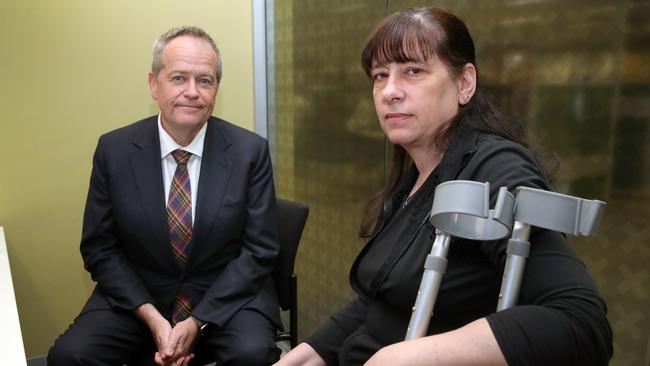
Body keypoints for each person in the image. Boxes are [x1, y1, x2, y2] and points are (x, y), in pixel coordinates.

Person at [275, 6, 613, 366]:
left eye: (413, 71)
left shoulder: (495, 168)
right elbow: (385, 298)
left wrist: (406, 358)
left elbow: (581, 324)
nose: (389, 91)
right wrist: (311, 352)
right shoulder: (415, 176)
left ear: (465, 83)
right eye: (379, 75)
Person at [48, 26, 281, 366]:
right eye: (178, 78)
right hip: (140, 299)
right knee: (70, 356)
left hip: (225, 299)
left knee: (254, 355)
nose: (192, 92)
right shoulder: (114, 151)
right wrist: (154, 318)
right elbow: (100, 247)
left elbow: (259, 250)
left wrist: (196, 321)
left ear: (216, 88)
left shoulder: (250, 152)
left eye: (205, 80)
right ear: (153, 84)